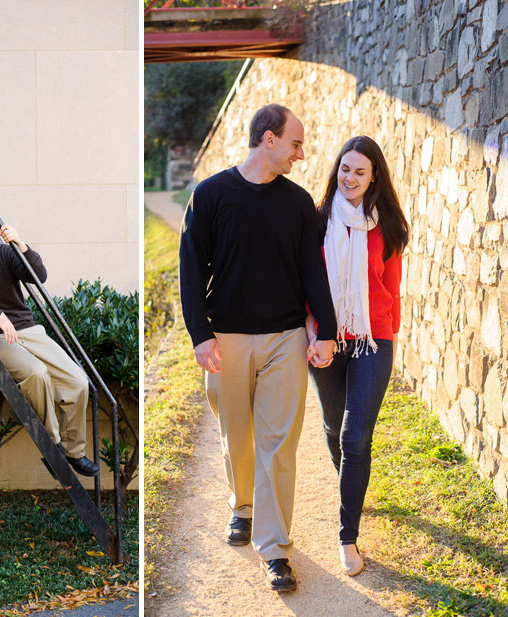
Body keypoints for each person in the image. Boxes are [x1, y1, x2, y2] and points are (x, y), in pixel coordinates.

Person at [179, 104, 338, 592]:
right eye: (295, 143)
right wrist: (200, 335)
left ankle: (275, 550)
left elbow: (313, 271)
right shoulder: (209, 195)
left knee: (278, 447)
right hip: (225, 339)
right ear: (268, 140)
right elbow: (190, 268)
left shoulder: (297, 203)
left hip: (285, 340)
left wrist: (326, 330)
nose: (302, 153)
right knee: (237, 437)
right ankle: (241, 506)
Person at [305, 135, 409, 576]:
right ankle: (351, 485)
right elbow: (305, 281)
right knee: (333, 427)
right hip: (326, 339)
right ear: (336, 172)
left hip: (372, 341)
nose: (350, 177)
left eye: (360, 172)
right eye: (344, 169)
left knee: (355, 437)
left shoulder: (388, 227)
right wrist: (314, 331)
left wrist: (389, 336)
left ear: (374, 177)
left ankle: (348, 536)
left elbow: (391, 288)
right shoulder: (316, 221)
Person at [0, 207, 99, 477]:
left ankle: (74, 453)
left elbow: (38, 276)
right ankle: (54, 447)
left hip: (28, 330)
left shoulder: (4, 253)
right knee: (36, 374)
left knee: (77, 381)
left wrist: (20, 245)